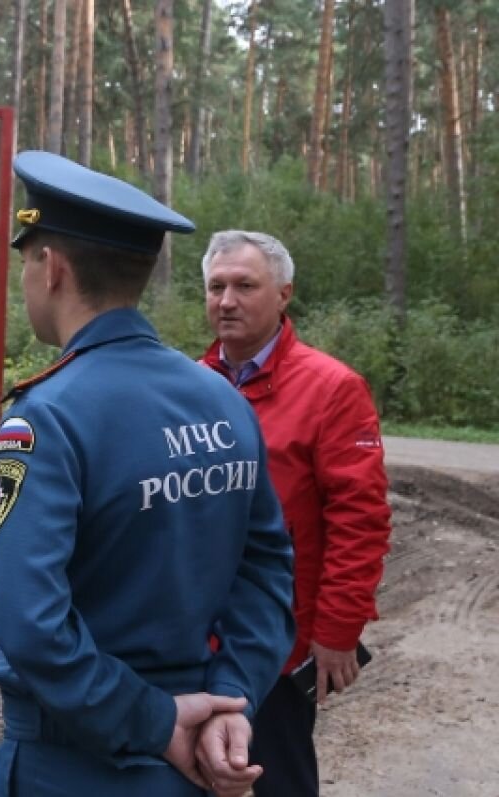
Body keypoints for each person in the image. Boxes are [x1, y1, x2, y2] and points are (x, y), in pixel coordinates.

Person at [0, 151, 296, 797]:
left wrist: (156, 722)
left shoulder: (44, 418)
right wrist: (231, 698)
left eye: (26, 262)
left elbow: (30, 622)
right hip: (197, 754)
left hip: (74, 759)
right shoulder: (221, 399)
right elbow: (268, 569)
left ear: (52, 268)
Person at [199, 230, 392, 796]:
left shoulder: (332, 389)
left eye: (244, 285)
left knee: (275, 775)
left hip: (277, 639)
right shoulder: (186, 385)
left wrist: (336, 630)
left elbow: (360, 518)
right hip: (190, 631)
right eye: (216, 286)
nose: (227, 300)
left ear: (284, 294)